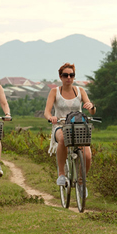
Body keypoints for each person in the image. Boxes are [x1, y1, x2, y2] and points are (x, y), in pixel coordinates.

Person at [44, 63, 96, 194]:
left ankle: (80, 181)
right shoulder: (55, 91)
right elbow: (47, 111)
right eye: (65, 75)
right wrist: (51, 118)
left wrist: (91, 106)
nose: (69, 78)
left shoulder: (80, 91)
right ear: (60, 77)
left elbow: (92, 111)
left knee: (88, 156)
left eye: (71, 75)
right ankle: (61, 173)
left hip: (78, 127)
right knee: (62, 139)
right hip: (60, 126)